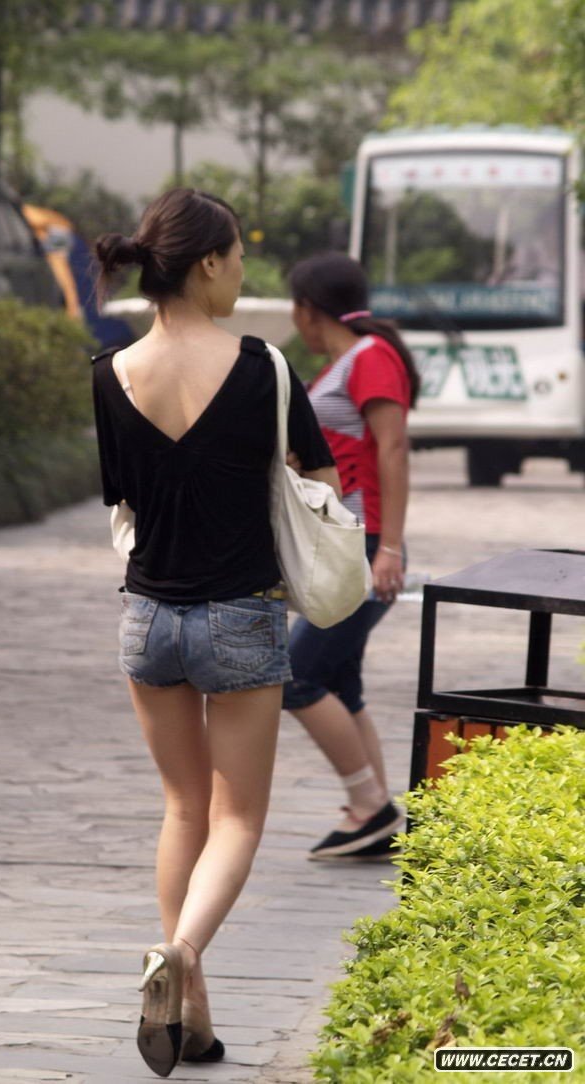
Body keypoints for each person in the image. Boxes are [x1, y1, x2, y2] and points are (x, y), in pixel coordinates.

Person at [91, 188, 339, 1077]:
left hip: (147, 618)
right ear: (206, 264)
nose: (241, 272)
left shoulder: (110, 372)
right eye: (236, 258)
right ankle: (181, 953)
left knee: (183, 808)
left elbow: (124, 494)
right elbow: (321, 481)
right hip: (240, 614)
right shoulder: (264, 366)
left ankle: (190, 1017)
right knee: (237, 818)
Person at [283, 252, 420, 860]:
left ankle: (370, 805)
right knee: (341, 680)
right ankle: (375, 814)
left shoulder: (372, 357)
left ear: (307, 309)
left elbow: (393, 449)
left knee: (294, 675)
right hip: (345, 543)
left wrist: (388, 546)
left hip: (364, 544)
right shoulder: (344, 363)